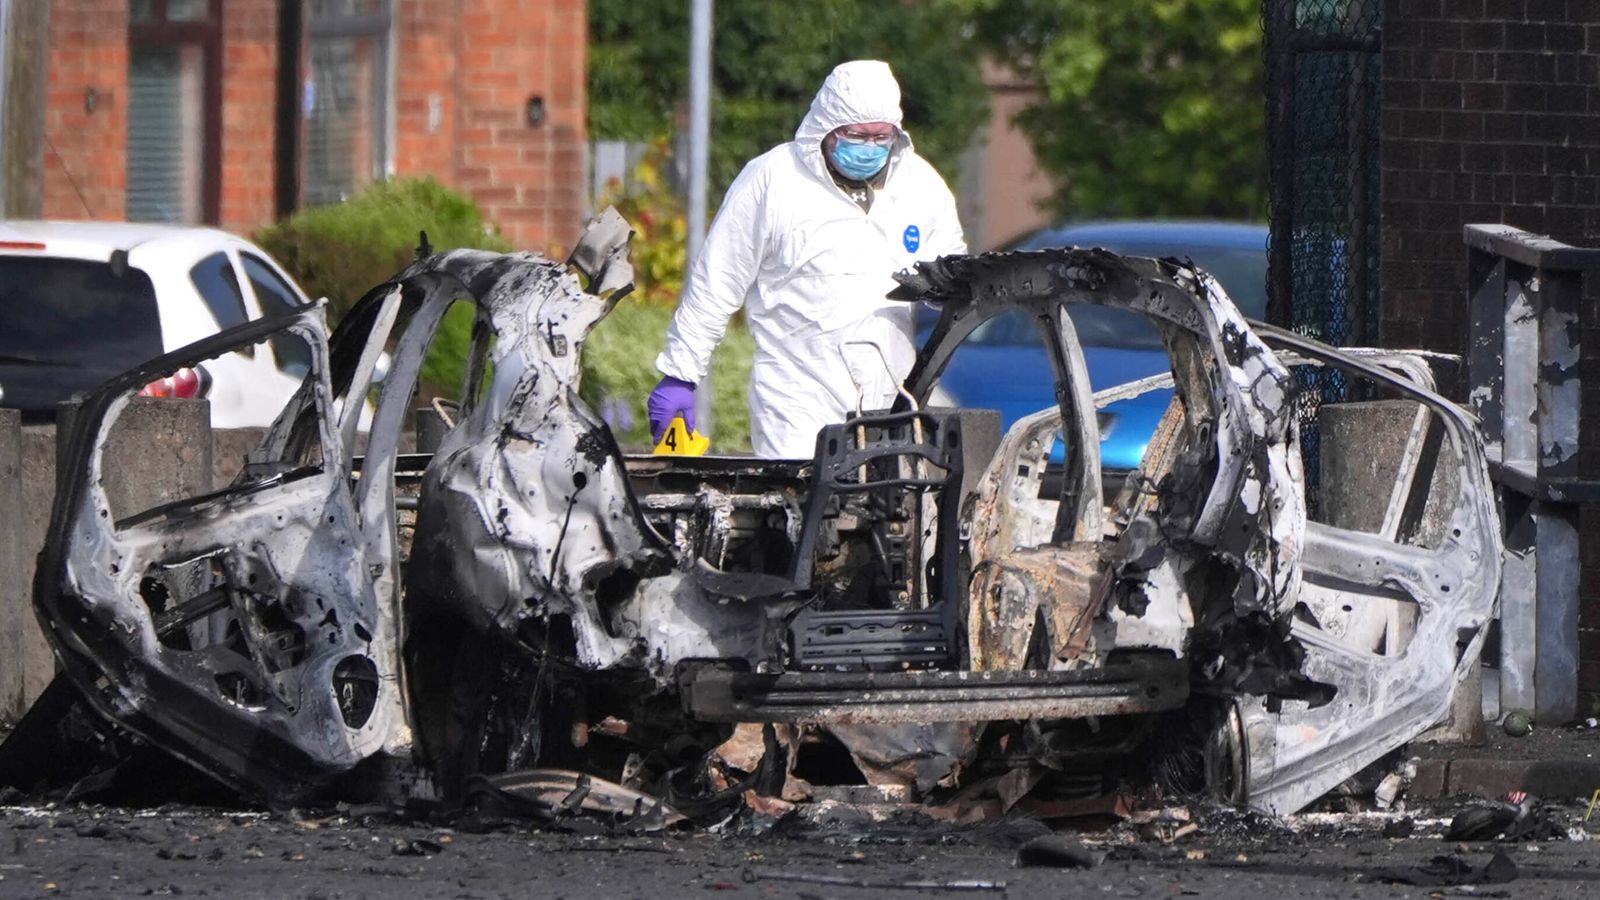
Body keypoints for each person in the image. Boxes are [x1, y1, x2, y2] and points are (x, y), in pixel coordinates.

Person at [648, 59, 967, 459]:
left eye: (880, 136)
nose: (869, 147)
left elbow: (954, 273)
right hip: (797, 402)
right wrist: (681, 373)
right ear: (827, 128)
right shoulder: (774, 181)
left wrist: (943, 287)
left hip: (893, 402)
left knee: (892, 517)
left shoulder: (920, 184)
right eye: (857, 135)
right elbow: (717, 282)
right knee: (803, 513)